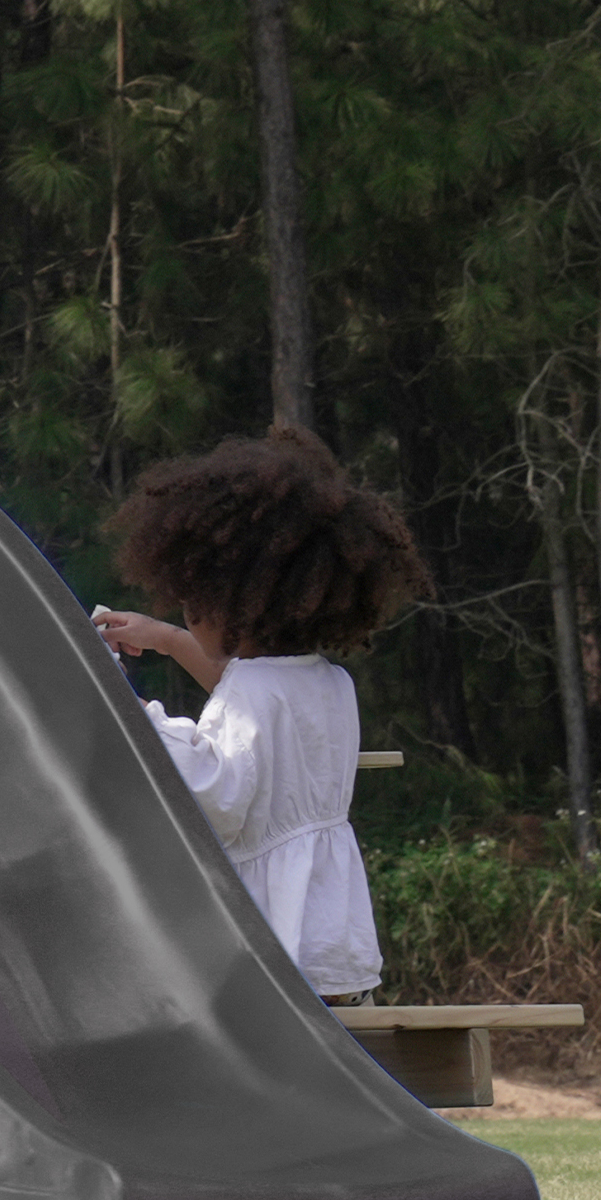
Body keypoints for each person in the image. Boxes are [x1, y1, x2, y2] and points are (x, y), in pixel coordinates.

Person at [91, 426, 426, 1001]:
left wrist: (128, 706)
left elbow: (215, 793)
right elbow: (257, 703)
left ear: (233, 603)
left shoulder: (253, 692)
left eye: (192, 605)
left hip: (277, 943)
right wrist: (169, 639)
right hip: (332, 938)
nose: (188, 616)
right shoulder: (327, 682)